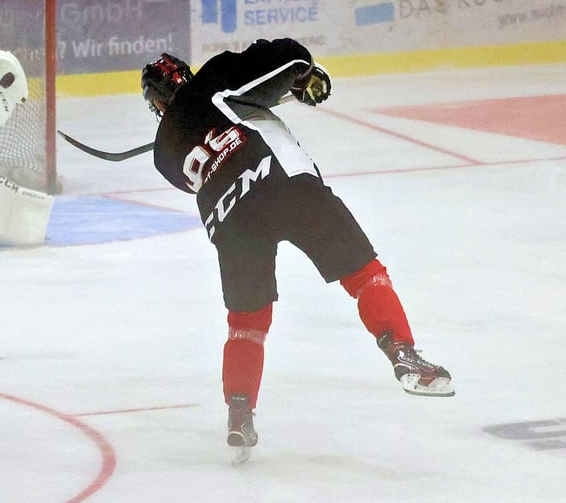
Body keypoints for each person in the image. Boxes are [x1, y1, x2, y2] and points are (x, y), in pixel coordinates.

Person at [141, 40, 454, 460]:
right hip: (280, 180)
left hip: (230, 223)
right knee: (363, 272)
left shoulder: (164, 154)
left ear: (158, 105)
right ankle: (403, 353)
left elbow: (202, 156)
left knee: (246, 322)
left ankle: (239, 411)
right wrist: (304, 72)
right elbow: (280, 58)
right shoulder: (212, 80)